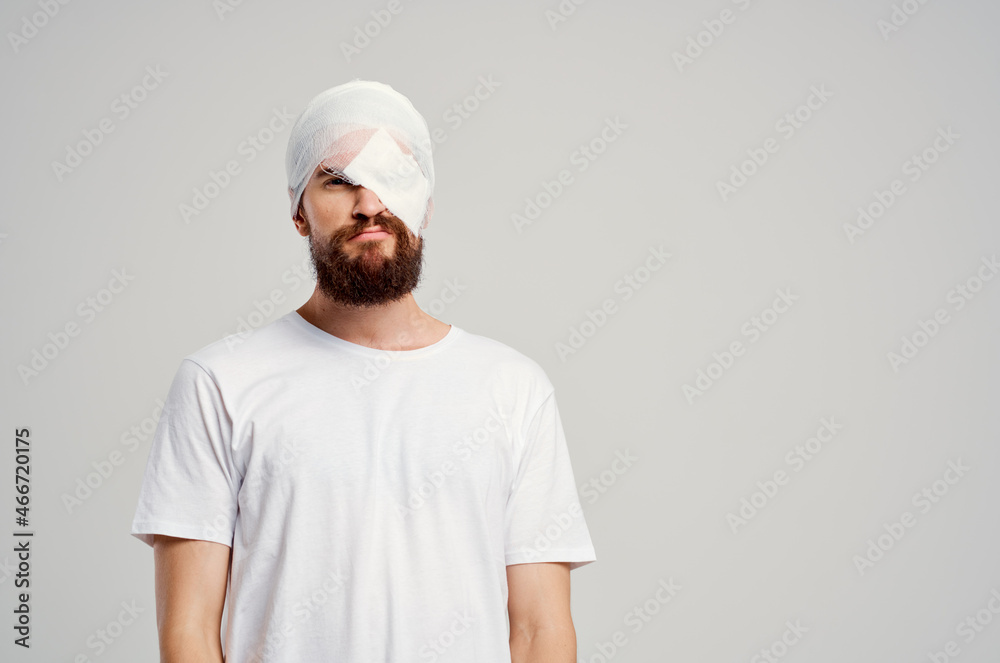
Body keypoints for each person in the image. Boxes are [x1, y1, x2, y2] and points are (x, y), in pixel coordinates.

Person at [130, 79, 596, 663]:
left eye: (393, 176)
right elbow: (188, 634)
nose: (370, 203)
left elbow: (540, 633)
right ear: (300, 211)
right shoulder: (220, 383)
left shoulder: (514, 388)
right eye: (339, 180)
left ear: (425, 205)